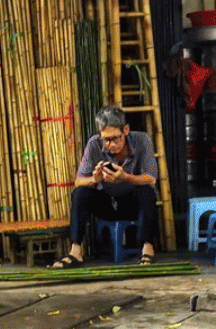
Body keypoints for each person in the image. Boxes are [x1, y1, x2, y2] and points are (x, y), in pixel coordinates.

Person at [50, 105, 158, 268]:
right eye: (106, 139)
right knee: (80, 193)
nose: (111, 144)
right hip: (106, 203)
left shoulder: (141, 140)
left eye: (116, 138)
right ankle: (75, 252)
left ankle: (147, 249)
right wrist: (94, 178)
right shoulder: (94, 144)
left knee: (147, 192)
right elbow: (79, 181)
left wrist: (125, 177)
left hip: (132, 205)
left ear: (126, 130)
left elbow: (151, 178)